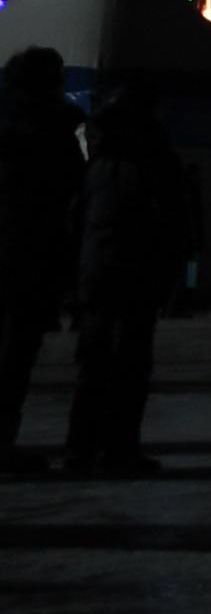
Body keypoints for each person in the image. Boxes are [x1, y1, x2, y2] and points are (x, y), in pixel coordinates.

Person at [65, 81, 190, 475]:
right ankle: (119, 447)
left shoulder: (98, 162)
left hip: (95, 272)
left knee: (94, 364)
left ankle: (80, 448)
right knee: (130, 364)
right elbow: (171, 222)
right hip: (136, 273)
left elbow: (76, 220)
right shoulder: (157, 161)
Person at [0, 48, 86, 470]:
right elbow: (70, 197)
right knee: (15, 355)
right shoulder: (54, 131)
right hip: (29, 255)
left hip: (20, 251)